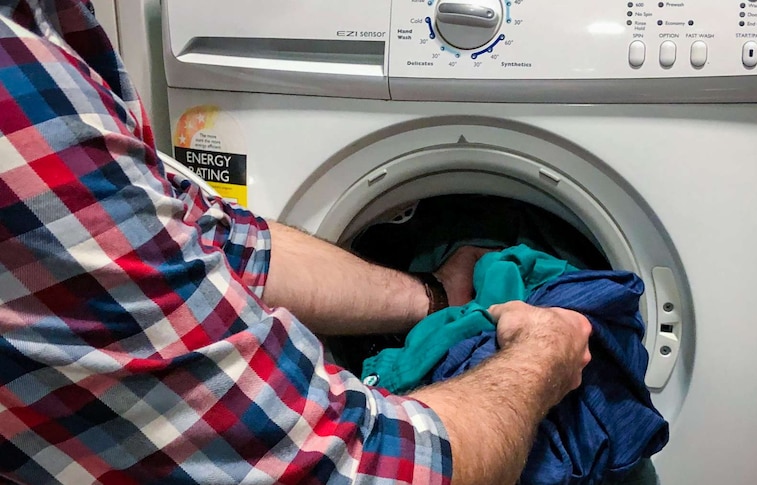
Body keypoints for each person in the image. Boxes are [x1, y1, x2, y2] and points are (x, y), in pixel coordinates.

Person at [0, 1, 592, 484]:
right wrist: (542, 358)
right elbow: (356, 470)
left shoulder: (41, 38)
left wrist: (436, 295)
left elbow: (219, 239)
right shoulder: (18, 95)